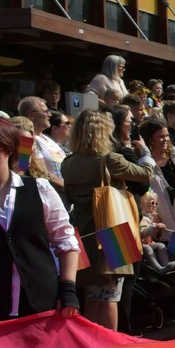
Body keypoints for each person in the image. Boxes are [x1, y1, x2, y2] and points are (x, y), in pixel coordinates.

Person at [0, 116, 80, 336]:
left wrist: (68, 288)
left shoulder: (39, 189)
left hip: (41, 313)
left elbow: (65, 241)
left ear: (9, 146)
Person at [62, 110, 153, 330]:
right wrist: (145, 153)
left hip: (84, 233)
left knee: (92, 296)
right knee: (111, 295)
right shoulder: (108, 159)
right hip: (113, 231)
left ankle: (92, 346)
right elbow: (146, 174)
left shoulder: (68, 163)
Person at [139, 191, 175, 274]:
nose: (154, 205)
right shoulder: (142, 217)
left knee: (161, 245)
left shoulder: (151, 217)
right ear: (144, 203)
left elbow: (153, 234)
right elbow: (142, 233)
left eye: (156, 203)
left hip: (149, 243)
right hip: (140, 245)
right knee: (147, 248)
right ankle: (159, 269)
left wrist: (158, 230)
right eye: (152, 203)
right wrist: (155, 226)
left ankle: (167, 265)